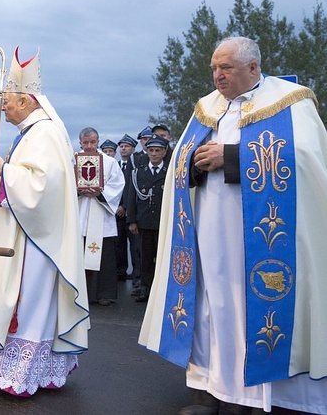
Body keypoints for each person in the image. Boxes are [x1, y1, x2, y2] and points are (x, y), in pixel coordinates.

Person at [139, 36, 327, 414]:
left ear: (253, 68)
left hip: (262, 237)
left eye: (226, 68)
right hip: (207, 233)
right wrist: (192, 162)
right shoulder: (207, 107)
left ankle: (257, 397)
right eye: (214, 68)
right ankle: (208, 390)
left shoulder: (291, 99)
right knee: (209, 307)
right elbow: (181, 160)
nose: (218, 76)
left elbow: (307, 159)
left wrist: (233, 157)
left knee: (249, 305)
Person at [0, 46, 89, 397]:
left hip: (36, 239)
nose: (3, 106)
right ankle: (5, 370)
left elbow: (44, 186)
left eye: (7, 100)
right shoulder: (29, 134)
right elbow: (25, 179)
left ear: (27, 100)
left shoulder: (44, 133)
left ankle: (18, 375)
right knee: (16, 301)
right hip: (26, 231)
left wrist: (5, 169)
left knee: (24, 302)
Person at [77, 127, 125, 306]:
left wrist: (100, 193)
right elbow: (64, 185)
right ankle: (82, 293)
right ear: (80, 142)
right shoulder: (74, 161)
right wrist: (76, 190)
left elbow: (118, 185)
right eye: (85, 142)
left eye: (93, 142)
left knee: (104, 257)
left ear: (98, 141)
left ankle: (104, 293)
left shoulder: (110, 162)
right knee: (80, 255)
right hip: (81, 214)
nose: (89, 146)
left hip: (101, 215)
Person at [125, 135, 168, 303]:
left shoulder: (168, 172)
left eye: (158, 150)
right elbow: (131, 197)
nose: (154, 154)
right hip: (144, 222)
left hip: (162, 221)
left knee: (162, 257)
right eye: (151, 150)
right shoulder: (139, 172)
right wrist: (132, 221)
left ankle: (161, 289)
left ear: (164, 152)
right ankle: (145, 288)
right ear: (147, 152)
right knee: (144, 257)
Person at [115, 133, 141, 284]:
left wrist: (125, 206)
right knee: (119, 245)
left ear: (133, 148)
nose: (123, 149)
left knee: (135, 246)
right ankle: (120, 272)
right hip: (116, 212)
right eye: (122, 147)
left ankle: (137, 274)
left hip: (131, 212)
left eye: (127, 146)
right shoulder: (115, 166)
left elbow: (131, 189)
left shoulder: (136, 165)